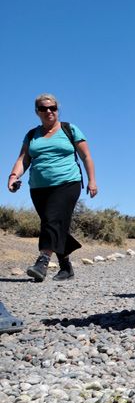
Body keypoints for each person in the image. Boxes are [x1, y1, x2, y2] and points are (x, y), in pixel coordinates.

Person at [7, 94, 98, 281]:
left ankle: (42, 262)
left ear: (57, 109)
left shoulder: (69, 129)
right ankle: (66, 268)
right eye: (43, 108)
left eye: (53, 108)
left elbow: (86, 156)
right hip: (39, 187)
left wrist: (92, 181)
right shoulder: (32, 135)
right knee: (55, 225)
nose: (49, 111)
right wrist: (13, 176)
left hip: (67, 183)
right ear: (37, 112)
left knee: (51, 220)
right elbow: (23, 159)